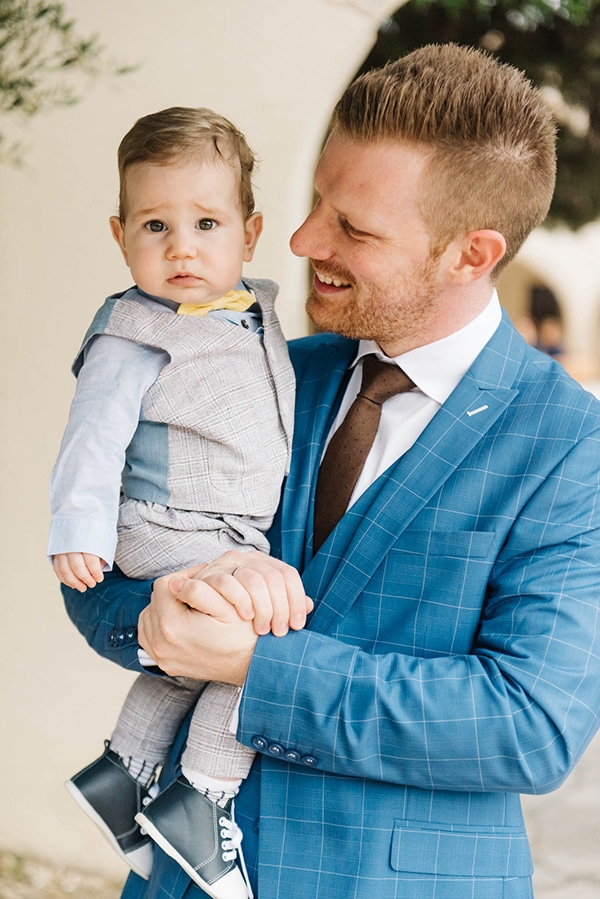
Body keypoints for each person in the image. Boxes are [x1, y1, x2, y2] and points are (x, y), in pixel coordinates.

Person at [62, 45, 600, 899]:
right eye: (317, 199)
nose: (305, 238)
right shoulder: (268, 364)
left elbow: (530, 726)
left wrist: (260, 669)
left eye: (353, 226)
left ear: (470, 253)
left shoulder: (571, 444)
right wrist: (152, 616)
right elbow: (109, 563)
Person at [48, 106, 306, 899]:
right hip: (166, 523)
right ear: (121, 234)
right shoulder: (134, 329)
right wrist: (77, 529)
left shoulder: (255, 312)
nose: (182, 246)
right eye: (155, 225)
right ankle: (202, 795)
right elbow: (93, 435)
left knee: (192, 655)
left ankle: (122, 775)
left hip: (226, 532)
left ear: (250, 233)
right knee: (250, 639)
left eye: (205, 222)